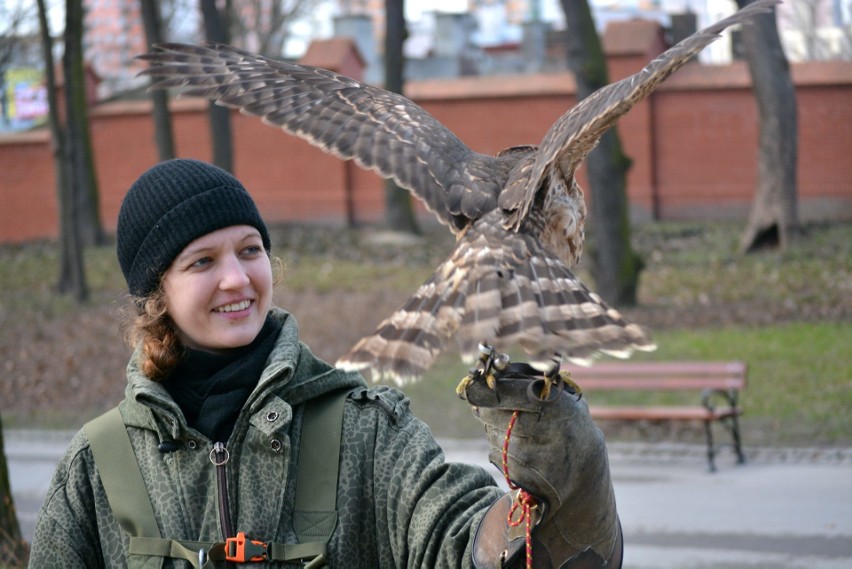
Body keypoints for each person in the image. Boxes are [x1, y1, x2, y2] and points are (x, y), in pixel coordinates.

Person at [29, 158, 622, 568]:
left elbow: (456, 541)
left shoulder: (363, 432)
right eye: (202, 262)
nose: (237, 278)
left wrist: (533, 504)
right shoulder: (95, 469)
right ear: (156, 295)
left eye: (250, 250)